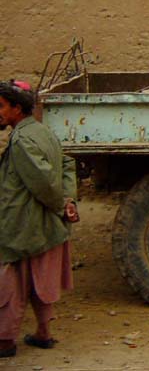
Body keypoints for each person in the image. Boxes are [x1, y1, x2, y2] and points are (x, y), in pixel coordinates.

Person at [0, 81, 77, 358]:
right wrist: (68, 203)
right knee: (40, 281)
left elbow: (44, 183)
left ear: (17, 109)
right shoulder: (44, 132)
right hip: (45, 226)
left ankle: (5, 340)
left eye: (1, 107)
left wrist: (60, 204)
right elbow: (67, 164)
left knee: (12, 285)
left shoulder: (21, 140)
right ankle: (44, 333)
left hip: (22, 227)